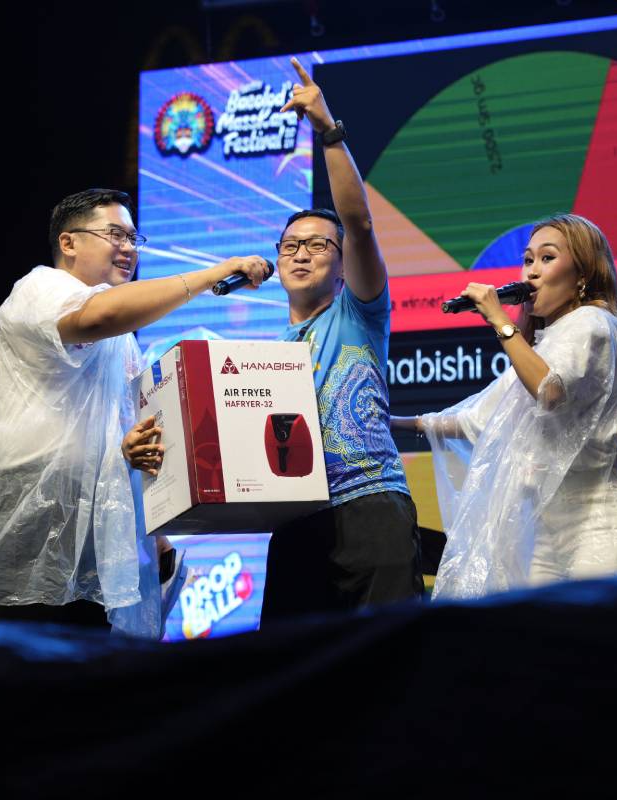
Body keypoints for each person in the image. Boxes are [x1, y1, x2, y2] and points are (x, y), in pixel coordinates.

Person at [0, 188, 269, 636]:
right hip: (37, 514)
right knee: (36, 666)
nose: (129, 247)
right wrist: (211, 276)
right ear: (69, 243)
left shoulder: (121, 339)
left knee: (92, 677)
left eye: (134, 237)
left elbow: (122, 425)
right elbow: (93, 318)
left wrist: (131, 448)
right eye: (115, 234)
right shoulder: (41, 289)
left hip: (98, 519)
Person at [391, 213, 617, 597]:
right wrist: (391, 423)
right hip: (548, 532)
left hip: (604, 526)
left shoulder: (594, 324)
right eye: (528, 259)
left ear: (583, 272)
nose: (532, 272)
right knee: (537, 644)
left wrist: (500, 320)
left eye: (547, 258)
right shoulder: (544, 346)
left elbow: (549, 391)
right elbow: (478, 420)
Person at [259, 58, 423, 624]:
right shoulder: (267, 359)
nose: (301, 253)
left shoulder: (359, 311)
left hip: (370, 504)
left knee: (388, 668)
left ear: (340, 264)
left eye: (318, 246)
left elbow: (359, 223)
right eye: (290, 246)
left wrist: (327, 130)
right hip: (297, 520)